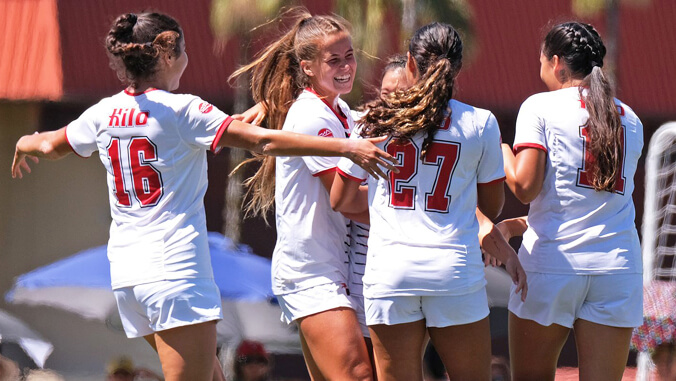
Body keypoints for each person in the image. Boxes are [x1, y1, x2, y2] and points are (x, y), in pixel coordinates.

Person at [10, 11, 397, 381]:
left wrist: (26, 142)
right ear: (167, 54)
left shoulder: (105, 112)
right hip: (174, 271)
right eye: (183, 50)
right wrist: (347, 149)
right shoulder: (183, 110)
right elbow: (263, 142)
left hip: (128, 277)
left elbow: (51, 145)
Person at [331, 22, 527, 381]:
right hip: (453, 268)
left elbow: (340, 197)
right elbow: (491, 206)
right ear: (458, 68)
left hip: (390, 270)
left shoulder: (376, 118)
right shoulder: (481, 123)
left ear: (409, 62)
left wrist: (386, 202)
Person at [228, 8, 378, 380]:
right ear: (307, 67)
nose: (345, 66)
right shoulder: (312, 116)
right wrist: (417, 220)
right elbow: (348, 202)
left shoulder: (341, 111)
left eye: (349, 57)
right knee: (359, 374)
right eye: (333, 60)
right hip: (311, 272)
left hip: (334, 270)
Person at [500, 21, 643, 381]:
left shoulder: (540, 106)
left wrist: (499, 150)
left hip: (553, 263)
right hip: (617, 268)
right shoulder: (633, 120)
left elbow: (524, 187)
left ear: (557, 62)